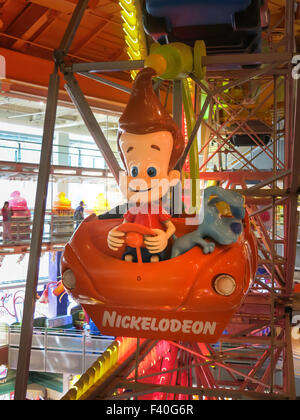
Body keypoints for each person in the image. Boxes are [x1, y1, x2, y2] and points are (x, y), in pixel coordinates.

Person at [107, 68, 185, 263]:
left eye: (151, 171)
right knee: (127, 257)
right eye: (133, 171)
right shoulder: (133, 209)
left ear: (171, 177)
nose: (140, 178)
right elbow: (123, 224)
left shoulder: (159, 208)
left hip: (152, 245)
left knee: (155, 259)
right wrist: (113, 235)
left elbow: (171, 227)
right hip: (134, 244)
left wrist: (164, 237)